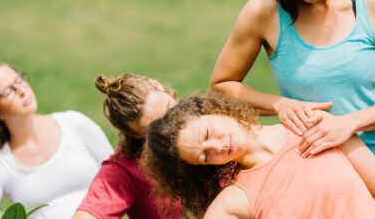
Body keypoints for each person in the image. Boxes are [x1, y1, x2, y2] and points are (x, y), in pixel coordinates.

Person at [209, 0, 375, 157]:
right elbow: (220, 89)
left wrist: (351, 123)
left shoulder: (370, 4)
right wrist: (279, 104)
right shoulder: (262, 12)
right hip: (315, 166)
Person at [142, 94, 375, 219]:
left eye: (207, 134)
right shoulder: (234, 202)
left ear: (210, 111)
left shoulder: (314, 128)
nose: (217, 146)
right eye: (204, 156)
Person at [0, 63, 114, 219]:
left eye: (19, 80)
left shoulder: (74, 124)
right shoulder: (0, 164)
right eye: (8, 91)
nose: (22, 90)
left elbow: (118, 177)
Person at [73, 73, 180, 219]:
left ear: (156, 84)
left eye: (170, 107)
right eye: (157, 128)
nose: (174, 126)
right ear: (136, 134)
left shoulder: (204, 117)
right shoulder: (125, 170)